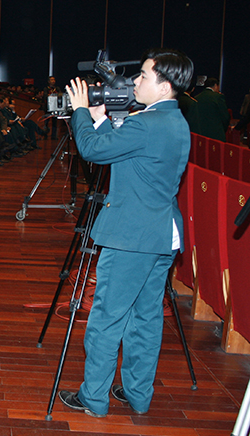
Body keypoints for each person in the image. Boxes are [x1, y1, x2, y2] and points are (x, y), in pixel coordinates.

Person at [59, 48, 194, 417]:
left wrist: (82, 112)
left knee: (107, 318)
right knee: (146, 319)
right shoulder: (175, 121)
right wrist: (102, 121)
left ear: (164, 86)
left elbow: (91, 149)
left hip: (131, 237)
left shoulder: (146, 123)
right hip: (160, 235)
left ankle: (95, 398)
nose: (135, 81)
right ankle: (137, 394)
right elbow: (131, 155)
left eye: (144, 77)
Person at [195, 77, 230, 142]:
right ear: (216, 85)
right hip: (216, 134)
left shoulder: (197, 97)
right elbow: (225, 117)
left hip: (201, 133)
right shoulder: (218, 97)